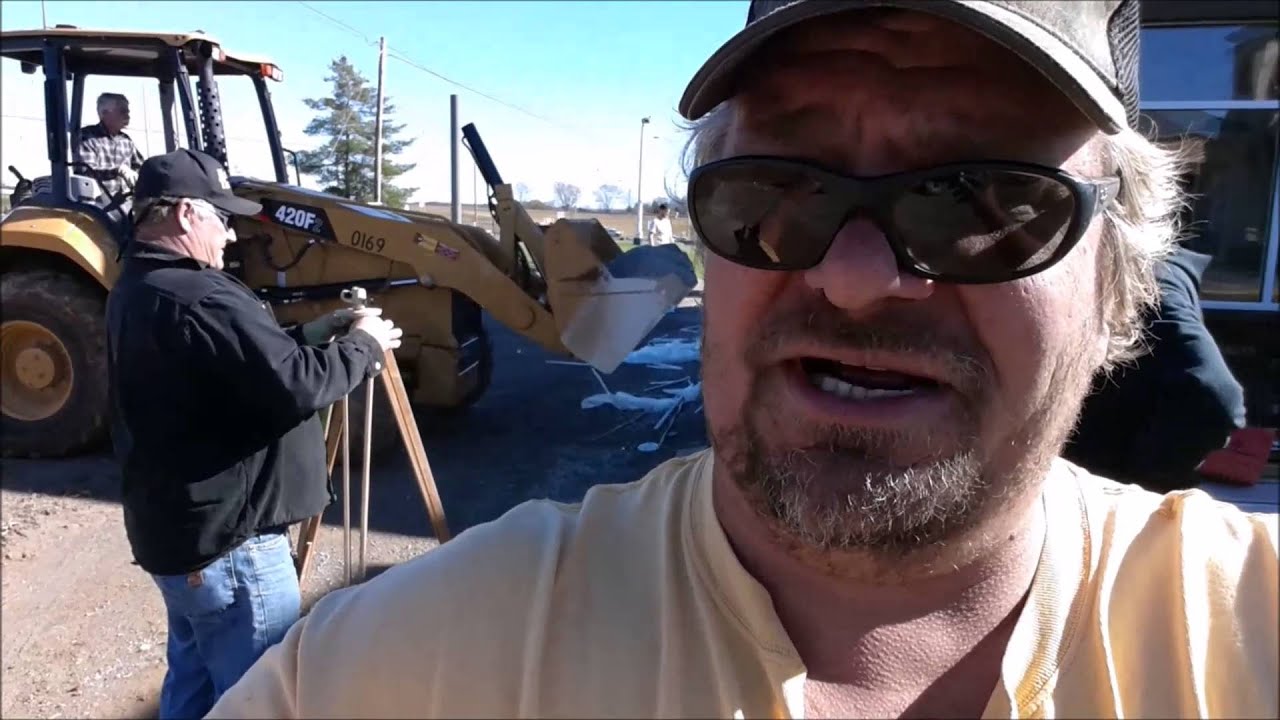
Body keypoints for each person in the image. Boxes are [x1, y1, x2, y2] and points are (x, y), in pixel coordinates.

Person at [208, 2, 1279, 718]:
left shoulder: (1244, 628)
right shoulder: (399, 669)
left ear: (1118, 284)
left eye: (985, 202)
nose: (854, 277)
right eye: (779, 187)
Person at [105, 147, 403, 719]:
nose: (231, 235)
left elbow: (233, 364)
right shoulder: (201, 295)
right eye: (222, 218)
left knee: (194, 687)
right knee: (260, 697)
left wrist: (312, 333)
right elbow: (297, 384)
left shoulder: (141, 285)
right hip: (232, 549)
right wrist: (365, 346)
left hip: (182, 539)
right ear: (186, 214)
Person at [1063, 245, 1249, 492]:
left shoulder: (1150, 288)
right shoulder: (1163, 277)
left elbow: (1217, 393)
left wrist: (1144, 475)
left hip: (1109, 486)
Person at [74, 92, 145, 204]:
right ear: (104, 113)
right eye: (123, 111)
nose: (128, 115)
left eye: (128, 111)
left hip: (125, 201)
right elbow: (87, 173)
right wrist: (118, 170)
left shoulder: (126, 140)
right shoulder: (86, 137)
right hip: (98, 203)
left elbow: (140, 167)